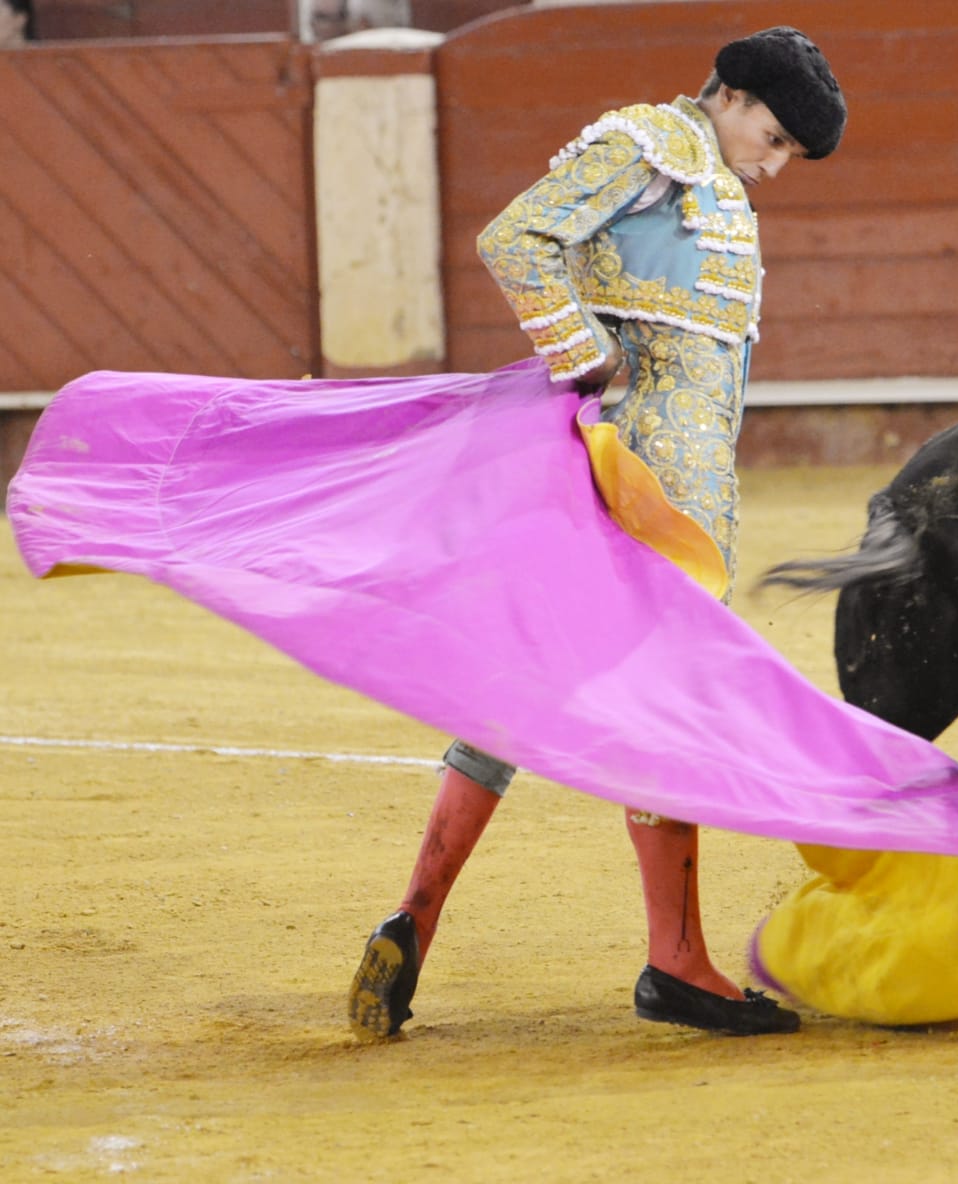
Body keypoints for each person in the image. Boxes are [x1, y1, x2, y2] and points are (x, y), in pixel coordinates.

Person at [347, 26, 847, 1041]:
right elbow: (514, 238)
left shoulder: (701, 175)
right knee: (662, 705)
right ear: (731, 93)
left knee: (515, 691)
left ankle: (417, 917)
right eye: (775, 136)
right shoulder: (652, 147)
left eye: (792, 151)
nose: (776, 161)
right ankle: (677, 963)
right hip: (641, 492)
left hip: (639, 486)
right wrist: (589, 365)